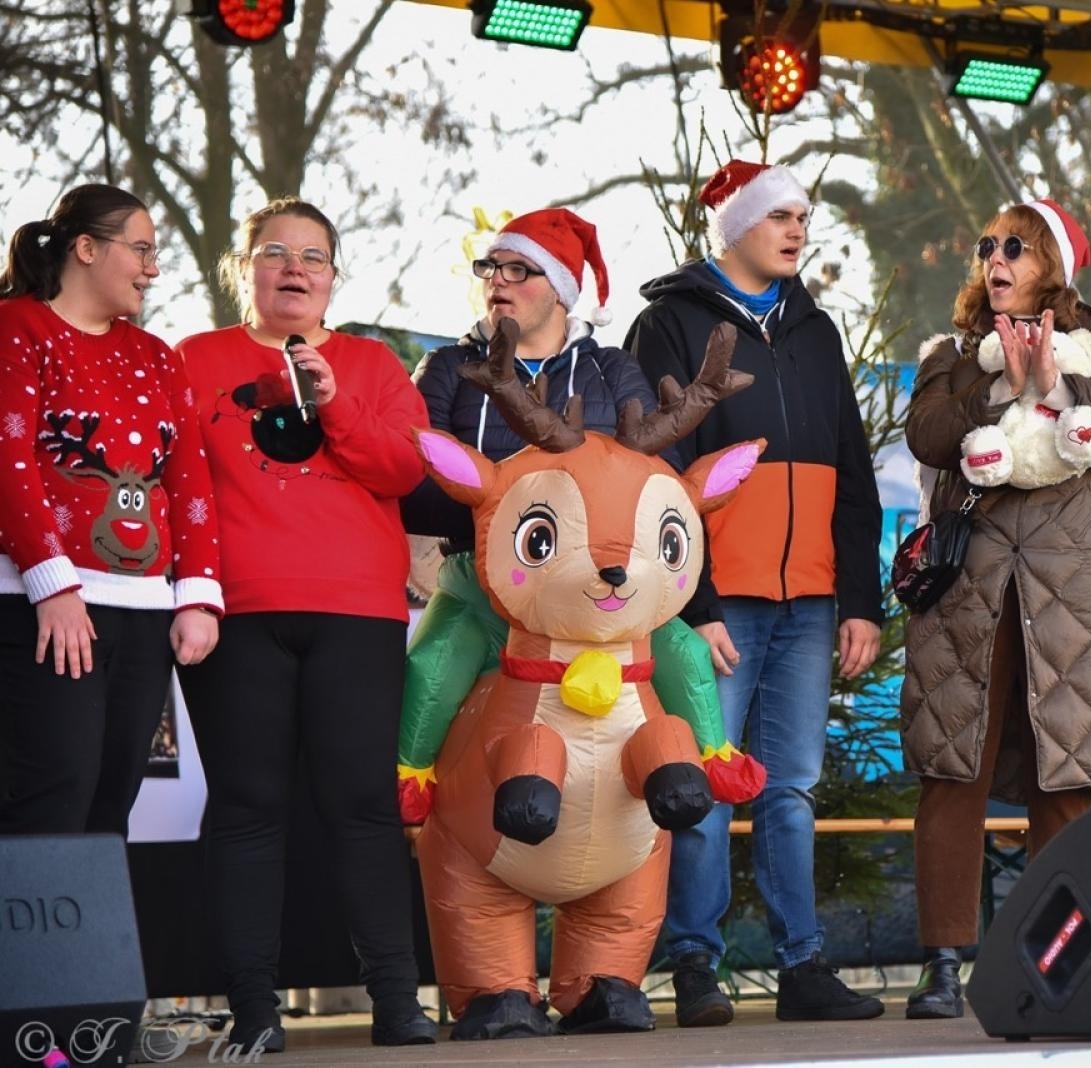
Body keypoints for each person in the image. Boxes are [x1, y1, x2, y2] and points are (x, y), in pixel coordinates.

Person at [625, 160, 885, 1026]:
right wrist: (691, 602)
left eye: (803, 215)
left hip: (810, 602)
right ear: (735, 224)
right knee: (704, 781)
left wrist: (859, 599)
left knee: (790, 787)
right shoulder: (668, 324)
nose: (797, 228)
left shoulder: (816, 330)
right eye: (779, 213)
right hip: (716, 600)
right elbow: (653, 474)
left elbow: (851, 470)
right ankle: (694, 966)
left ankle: (802, 966)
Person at [175, 197, 437, 1052]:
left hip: (356, 613)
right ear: (242, 267)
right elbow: (179, 485)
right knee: (248, 808)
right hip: (237, 613)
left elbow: (407, 468)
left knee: (362, 807)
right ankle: (255, 1009)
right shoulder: (194, 358)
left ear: (332, 278)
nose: (294, 267)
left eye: (313, 257)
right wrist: (196, 593)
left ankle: (397, 1003)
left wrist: (336, 404)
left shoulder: (371, 364)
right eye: (275, 252)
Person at [898, 199, 1091, 1019]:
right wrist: (997, 388)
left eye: (1016, 246)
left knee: (1064, 778)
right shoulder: (950, 357)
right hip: (968, 594)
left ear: (1054, 265)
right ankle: (943, 965)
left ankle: (1062, 963)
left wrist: (1056, 384)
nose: (995, 259)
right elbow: (930, 436)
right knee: (953, 772)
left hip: (1073, 602)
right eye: (986, 246)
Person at [397, 208, 656, 801]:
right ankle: (408, 785)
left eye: (521, 270)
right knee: (428, 670)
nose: (499, 281)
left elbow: (646, 483)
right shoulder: (446, 369)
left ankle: (702, 764)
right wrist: (514, 518)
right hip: (477, 582)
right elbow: (417, 487)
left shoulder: (612, 371)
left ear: (563, 290)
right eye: (491, 267)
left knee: (679, 656)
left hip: (591, 598)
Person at [0, 183, 222, 837]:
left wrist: (197, 597)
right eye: (143, 249)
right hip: (44, 608)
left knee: (109, 796)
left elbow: (190, 481)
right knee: (51, 792)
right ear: (87, 248)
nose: (153, 268)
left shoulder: (156, 355)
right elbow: (7, 458)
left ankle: (90, 939)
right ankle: (36, 941)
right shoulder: (17, 326)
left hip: (144, 616)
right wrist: (53, 584)